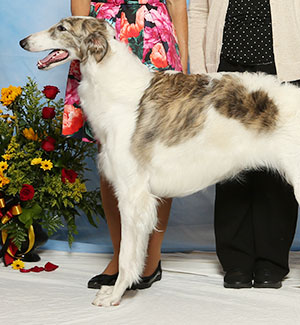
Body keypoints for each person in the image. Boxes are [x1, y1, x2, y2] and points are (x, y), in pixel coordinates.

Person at [189, 0, 300, 288]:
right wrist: (201, 70)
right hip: (227, 72)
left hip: (283, 68)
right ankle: (236, 262)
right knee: (230, 169)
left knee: (277, 170)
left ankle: (272, 262)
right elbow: (199, 11)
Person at [66, 0, 188, 289]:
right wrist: (79, 47)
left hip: (154, 38)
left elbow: (177, 4)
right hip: (102, 39)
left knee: (158, 154)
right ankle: (122, 257)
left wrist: (183, 57)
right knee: (112, 155)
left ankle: (150, 259)